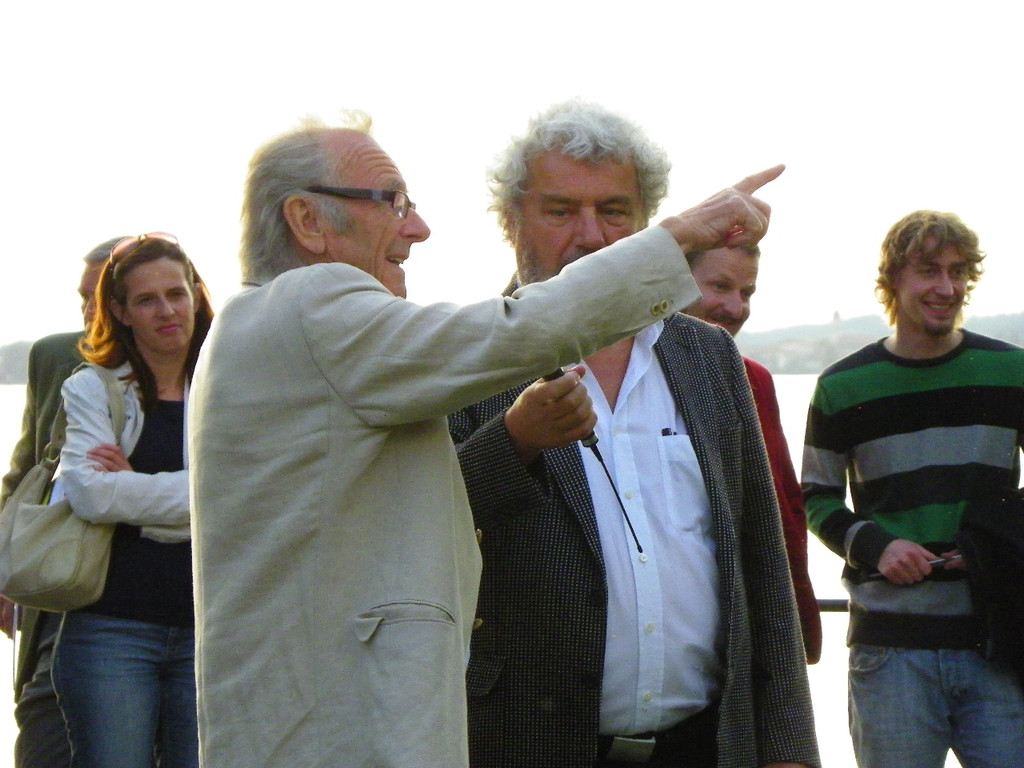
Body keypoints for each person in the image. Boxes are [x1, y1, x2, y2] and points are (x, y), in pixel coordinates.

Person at [187, 111, 785, 768]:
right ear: (307, 220)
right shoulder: (316, 307)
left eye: (616, 211)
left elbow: (760, 559)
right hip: (364, 732)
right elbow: (520, 335)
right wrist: (684, 236)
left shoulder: (264, 329)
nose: (418, 227)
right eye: (393, 202)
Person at [448, 101, 818, 768]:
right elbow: (419, 529)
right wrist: (515, 441)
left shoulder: (709, 356)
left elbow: (762, 559)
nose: (592, 236)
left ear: (649, 223)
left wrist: (788, 745)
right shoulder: (464, 353)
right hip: (526, 746)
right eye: (561, 210)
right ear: (511, 221)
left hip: (706, 747)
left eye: (615, 211)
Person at [802, 210, 1024, 767]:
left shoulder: (1011, 371)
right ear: (893, 278)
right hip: (890, 651)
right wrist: (877, 546)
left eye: (958, 272)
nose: (946, 287)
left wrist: (994, 545)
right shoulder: (842, 386)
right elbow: (815, 496)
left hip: (1000, 640)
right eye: (929, 270)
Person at [52, 233, 213, 767]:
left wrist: (135, 493)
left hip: (211, 630)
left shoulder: (230, 387)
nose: (166, 310)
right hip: (110, 631)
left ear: (196, 295)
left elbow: (249, 497)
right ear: (119, 312)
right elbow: (91, 495)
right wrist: (198, 501)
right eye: (147, 300)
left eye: (176, 293)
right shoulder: (94, 388)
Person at [1, 235, 124, 768]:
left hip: (152, 594)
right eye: (83, 299)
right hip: (57, 584)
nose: (90, 312)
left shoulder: (196, 363)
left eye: (101, 298)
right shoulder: (54, 356)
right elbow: (25, 471)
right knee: (45, 735)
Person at [683, 244, 822, 664]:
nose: (736, 307)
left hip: (750, 627)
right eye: (720, 287)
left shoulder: (755, 379)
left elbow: (785, 505)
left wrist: (799, 624)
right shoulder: (632, 378)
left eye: (747, 293)